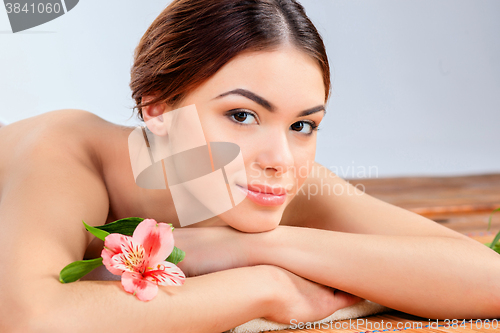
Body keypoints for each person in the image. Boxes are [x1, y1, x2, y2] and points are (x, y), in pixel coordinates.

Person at [1, 0, 499, 332]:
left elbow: (487, 279)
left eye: (302, 125)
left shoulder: (272, 176)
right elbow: (27, 317)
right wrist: (265, 286)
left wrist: (261, 245)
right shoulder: (63, 152)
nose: (280, 158)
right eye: (242, 115)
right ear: (156, 108)